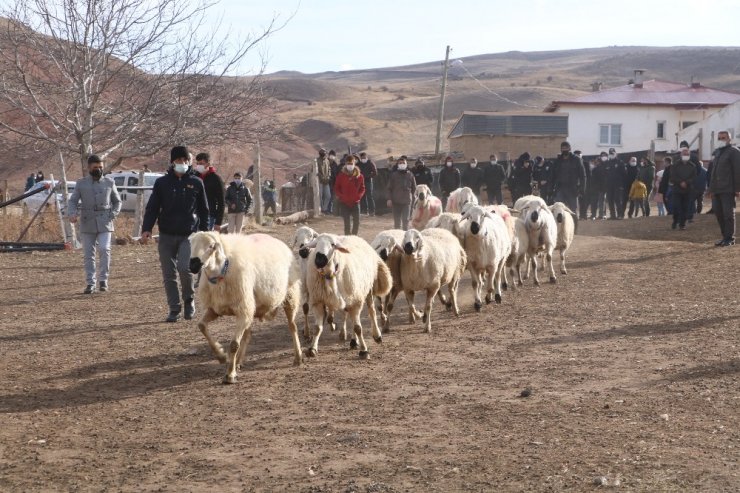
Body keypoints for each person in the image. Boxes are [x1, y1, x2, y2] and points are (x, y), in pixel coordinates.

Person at [141, 146, 209, 323]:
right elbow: (153, 208)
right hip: (166, 234)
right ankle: (174, 308)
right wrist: (147, 228)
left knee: (184, 269)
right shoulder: (162, 183)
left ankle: (189, 300)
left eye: (185, 160)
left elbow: (204, 210)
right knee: (168, 274)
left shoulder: (196, 183)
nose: (182, 163)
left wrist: (206, 233)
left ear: (189, 161)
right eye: (179, 160)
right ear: (173, 162)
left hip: (190, 235)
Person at [68, 154, 122, 294]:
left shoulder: (109, 182)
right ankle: (90, 282)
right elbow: (73, 200)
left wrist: (113, 214)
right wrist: (72, 213)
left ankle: (103, 279)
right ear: (89, 168)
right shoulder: (81, 183)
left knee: (104, 249)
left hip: (105, 220)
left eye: (100, 167)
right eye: (95, 167)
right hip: (87, 221)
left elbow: (117, 201)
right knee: (88, 254)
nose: (98, 169)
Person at [708, 130, 740, 246]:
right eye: (719, 138)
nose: (721, 140)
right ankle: (724, 237)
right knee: (718, 213)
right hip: (716, 190)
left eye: (723, 138)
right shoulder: (717, 152)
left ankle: (730, 238)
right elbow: (713, 172)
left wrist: (737, 188)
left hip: (728, 189)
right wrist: (710, 189)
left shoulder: (734, 152)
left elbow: (737, 171)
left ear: (729, 139)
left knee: (728, 214)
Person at [334, 155, 366, 235]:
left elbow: (363, 188)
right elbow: (336, 188)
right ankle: (347, 238)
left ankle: (354, 237)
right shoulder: (341, 176)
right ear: (345, 164)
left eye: (351, 163)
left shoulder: (360, 176)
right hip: (344, 203)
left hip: (356, 202)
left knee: (357, 222)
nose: (350, 165)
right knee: (347, 223)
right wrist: (341, 196)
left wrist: (359, 196)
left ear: (354, 164)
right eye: (348, 164)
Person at [194, 152, 225, 231]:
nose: (198, 166)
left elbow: (221, 202)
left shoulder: (216, 179)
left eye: (201, 163)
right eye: (197, 163)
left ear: (208, 164)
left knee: (204, 241)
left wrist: (218, 222)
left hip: (209, 216)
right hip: (194, 214)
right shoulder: (194, 177)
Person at [669, 145, 697, 230]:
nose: (685, 155)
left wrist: (687, 182)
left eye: (687, 154)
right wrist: (680, 182)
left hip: (687, 190)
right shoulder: (675, 165)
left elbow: (694, 177)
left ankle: (682, 224)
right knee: (676, 206)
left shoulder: (693, 166)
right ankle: (675, 220)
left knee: (685, 207)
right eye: (684, 154)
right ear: (681, 155)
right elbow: (672, 177)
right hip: (677, 189)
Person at [386, 157, 416, 230]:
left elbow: (414, 188)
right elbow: (389, 188)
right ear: (397, 165)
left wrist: (413, 198)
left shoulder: (410, 175)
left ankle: (406, 239)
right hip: (396, 202)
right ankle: (398, 238)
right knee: (397, 223)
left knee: (406, 221)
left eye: (403, 163)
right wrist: (389, 199)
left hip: (407, 202)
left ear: (406, 164)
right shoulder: (393, 175)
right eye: (400, 163)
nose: (402, 164)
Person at [604, 148, 626, 219]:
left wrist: (622, 185)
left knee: (617, 200)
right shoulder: (607, 163)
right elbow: (605, 174)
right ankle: (612, 215)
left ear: (616, 154)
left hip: (618, 185)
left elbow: (624, 174)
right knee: (610, 200)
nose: (611, 155)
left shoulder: (620, 162)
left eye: (613, 153)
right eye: (610, 154)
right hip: (609, 185)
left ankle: (620, 215)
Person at [316, 148, 332, 214]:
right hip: (319, 181)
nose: (324, 154)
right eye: (322, 152)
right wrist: (320, 176)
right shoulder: (316, 160)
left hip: (326, 181)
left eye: (324, 152)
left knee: (328, 196)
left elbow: (329, 169)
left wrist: (329, 176)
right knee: (320, 196)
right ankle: (321, 210)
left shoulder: (327, 161)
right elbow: (314, 171)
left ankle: (324, 209)